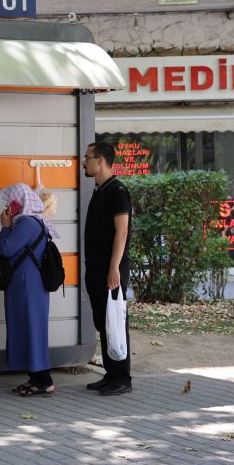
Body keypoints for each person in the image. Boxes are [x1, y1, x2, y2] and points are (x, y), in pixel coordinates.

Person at [83, 141, 133, 396]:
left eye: (88, 157)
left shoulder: (118, 191)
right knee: (103, 321)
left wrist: (114, 268)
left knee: (115, 321)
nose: (84, 162)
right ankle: (111, 373)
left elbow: (122, 232)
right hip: (95, 268)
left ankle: (122, 377)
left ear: (100, 161)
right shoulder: (100, 190)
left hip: (110, 269)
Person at [0, 183, 55, 397]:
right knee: (27, 328)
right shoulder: (33, 221)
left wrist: (5, 227)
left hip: (27, 285)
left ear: (22, 202)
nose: (9, 205)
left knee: (32, 328)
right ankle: (36, 377)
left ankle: (44, 381)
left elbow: (6, 248)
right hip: (28, 284)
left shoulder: (26, 223)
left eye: (13, 201)